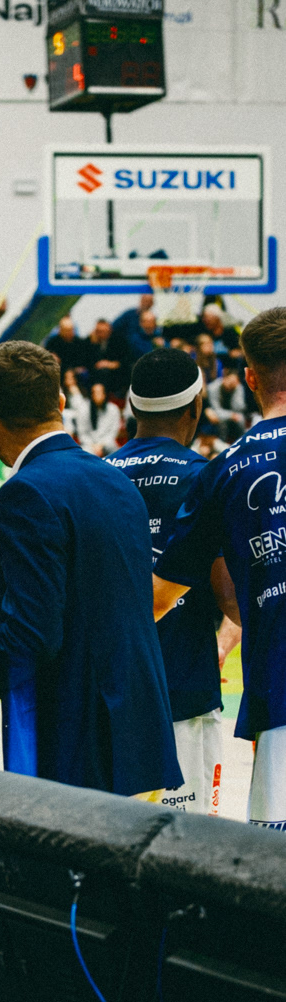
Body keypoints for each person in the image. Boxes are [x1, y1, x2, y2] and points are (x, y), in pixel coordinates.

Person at [0, 340, 181, 798]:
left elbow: (34, 635)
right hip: (139, 727)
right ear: (59, 401)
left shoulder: (24, 492)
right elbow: (108, 593)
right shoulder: (114, 479)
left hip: (82, 737)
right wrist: (6, 596)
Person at [153, 307, 286, 830]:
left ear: (249, 378)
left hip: (279, 693)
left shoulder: (223, 471)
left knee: (271, 868)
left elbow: (159, 597)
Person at [108, 348, 241, 814]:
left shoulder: (96, 477)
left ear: (132, 406)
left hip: (111, 697)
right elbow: (232, 597)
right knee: (187, 845)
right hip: (185, 690)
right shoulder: (207, 479)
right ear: (196, 406)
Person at [70, 382, 122, 456]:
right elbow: (82, 433)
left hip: (107, 443)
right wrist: (93, 446)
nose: (97, 395)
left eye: (100, 392)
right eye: (95, 393)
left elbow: (113, 431)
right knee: (85, 453)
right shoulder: (83, 409)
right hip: (89, 445)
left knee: (116, 451)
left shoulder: (113, 409)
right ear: (91, 395)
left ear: (105, 394)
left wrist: (101, 445)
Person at [206, 361, 248, 444]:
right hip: (217, 413)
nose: (230, 385)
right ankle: (223, 443)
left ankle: (242, 442)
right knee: (222, 420)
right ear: (224, 378)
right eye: (229, 381)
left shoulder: (238, 388)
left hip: (233, 413)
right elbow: (215, 409)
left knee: (241, 418)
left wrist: (236, 391)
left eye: (233, 383)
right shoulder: (212, 388)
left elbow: (240, 408)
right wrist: (230, 415)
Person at [84, 318, 128, 397]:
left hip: (115, 371)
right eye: (98, 331)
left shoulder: (118, 340)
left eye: (103, 331)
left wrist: (110, 364)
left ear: (109, 330)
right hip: (95, 371)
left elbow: (126, 359)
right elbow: (87, 360)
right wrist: (94, 344)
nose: (100, 334)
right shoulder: (90, 341)